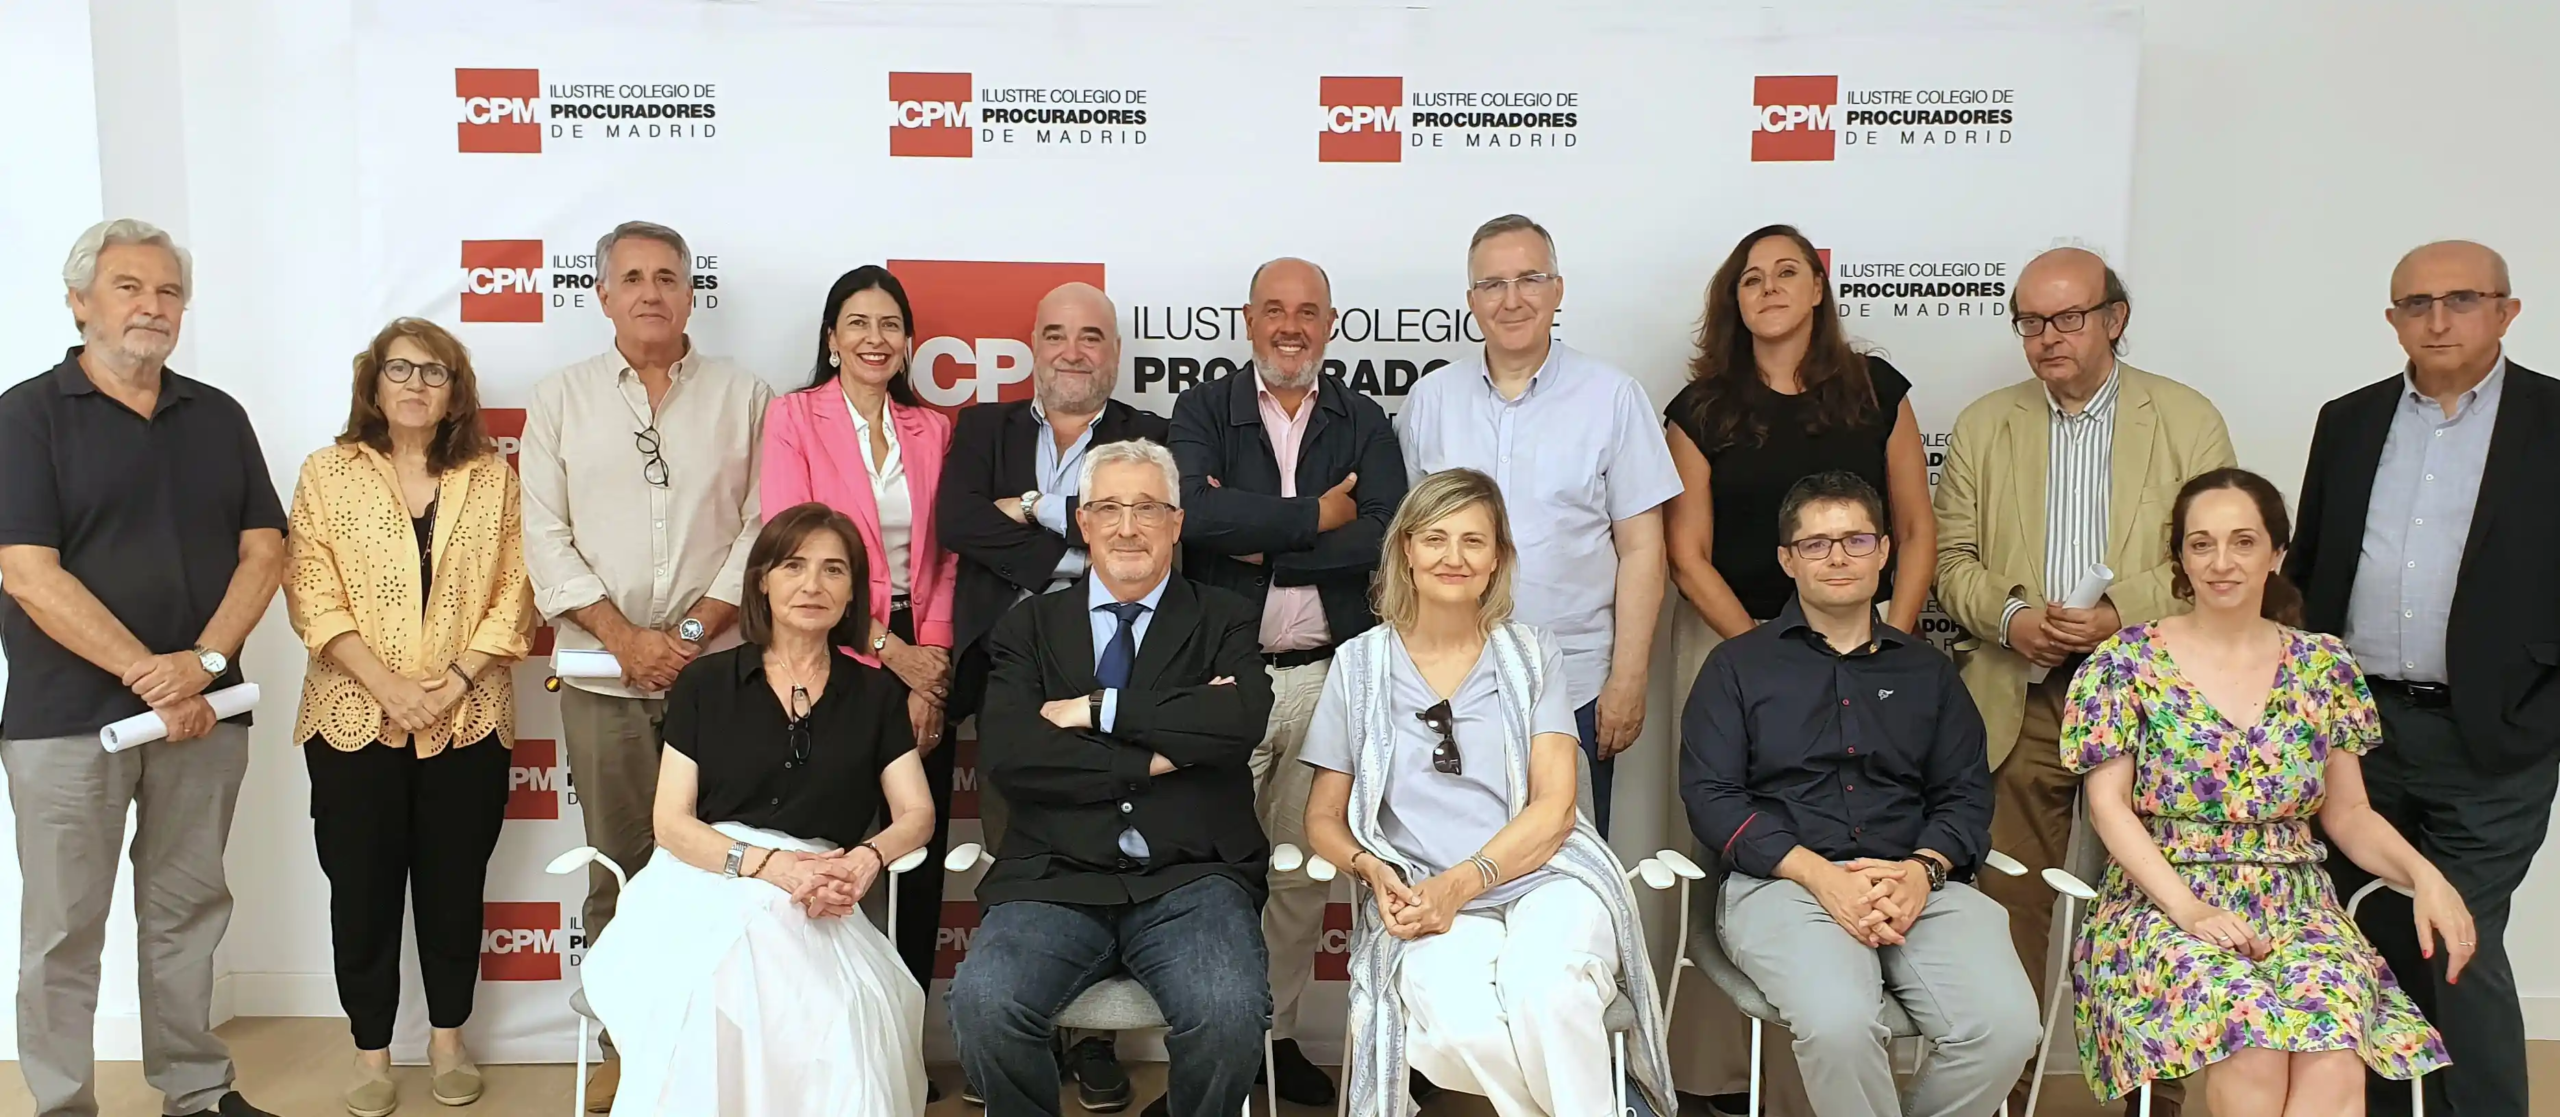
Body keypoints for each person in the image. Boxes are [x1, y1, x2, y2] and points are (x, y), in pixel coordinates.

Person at [1931, 246, 2234, 1117]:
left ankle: (2153, 1100)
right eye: (2030, 320)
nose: (2046, 337)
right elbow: (1952, 560)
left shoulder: (2184, 418)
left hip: (2152, 701)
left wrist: (2122, 614)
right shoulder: (1988, 424)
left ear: (2115, 318)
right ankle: (2004, 1093)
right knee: (2009, 905)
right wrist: (2014, 613)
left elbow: (2216, 553)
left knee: (2151, 902)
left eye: (2066, 317)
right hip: (2019, 694)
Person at [2064, 467, 2464, 1115]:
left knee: (2334, 1048)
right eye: (2201, 544)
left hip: (2297, 903)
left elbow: (2351, 812)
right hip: (2162, 900)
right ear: (2180, 557)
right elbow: (2107, 807)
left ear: (2276, 553)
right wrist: (2191, 911)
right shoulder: (2125, 662)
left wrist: (2426, 876)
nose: (2222, 562)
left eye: (2243, 541)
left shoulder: (2322, 664)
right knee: (2252, 1036)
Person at [0, 218, 285, 1117]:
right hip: (62, 721)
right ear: (79, 300)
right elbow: (26, 571)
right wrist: (151, 675)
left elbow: (266, 549)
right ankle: (60, 1105)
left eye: (167, 291)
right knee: (63, 930)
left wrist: (199, 667)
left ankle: (197, 1093)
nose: (152, 306)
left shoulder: (219, 415)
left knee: (188, 912)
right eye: (128, 287)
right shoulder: (24, 415)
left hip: (203, 713)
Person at [1301, 468, 1675, 1117]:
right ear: (1405, 549)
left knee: (1552, 991)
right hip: (1425, 893)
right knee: (1460, 1029)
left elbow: (1556, 807)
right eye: (1436, 538)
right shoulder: (1359, 665)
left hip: (1547, 877)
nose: (1454, 557)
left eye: (1474, 541)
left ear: (1498, 556)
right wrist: (1371, 865)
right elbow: (1323, 817)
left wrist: (1466, 881)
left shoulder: (1533, 654)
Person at [2288, 239, 2555, 1117]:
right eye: (2416, 303)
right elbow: (2315, 566)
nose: (2437, 320)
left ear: (2507, 311)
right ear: (2393, 318)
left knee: (2459, 940)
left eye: (2462, 299)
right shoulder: (2351, 420)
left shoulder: (2551, 421)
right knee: (2368, 934)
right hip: (2360, 732)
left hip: (2494, 734)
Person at [1682, 470, 2038, 1117]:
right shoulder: (1737, 667)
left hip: (1919, 884)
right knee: (1841, 1025)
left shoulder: (1926, 671)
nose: (1838, 556)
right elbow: (1711, 797)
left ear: (1883, 552)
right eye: (1816, 543)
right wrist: (1822, 876)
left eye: (1855, 539)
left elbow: (1964, 793)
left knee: (2007, 1029)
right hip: (1786, 886)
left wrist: (1922, 871)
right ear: (1787, 560)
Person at [517, 219, 772, 1109]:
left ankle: (716, 1056)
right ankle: (628, 1051)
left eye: (668, 275)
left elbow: (761, 529)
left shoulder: (746, 395)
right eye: (633, 276)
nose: (651, 290)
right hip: (598, 674)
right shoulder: (559, 398)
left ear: (691, 290)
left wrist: (691, 638)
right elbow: (543, 535)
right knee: (616, 867)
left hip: (726, 674)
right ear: (603, 294)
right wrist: (625, 639)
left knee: (732, 866)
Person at [946, 439, 1274, 1117]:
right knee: (982, 1003)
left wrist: (1098, 709)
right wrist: (1154, 755)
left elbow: (1238, 719)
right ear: (1084, 521)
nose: (1129, 527)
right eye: (1109, 508)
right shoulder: (1029, 625)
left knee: (1230, 1009)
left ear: (1177, 523)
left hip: (1192, 875)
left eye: (1148, 508)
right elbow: (1012, 752)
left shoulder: (1224, 615)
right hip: (1055, 876)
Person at [583, 502, 934, 1116]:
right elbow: (671, 823)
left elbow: (917, 813)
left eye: (833, 570)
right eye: (793, 566)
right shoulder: (707, 683)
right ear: (762, 581)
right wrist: (769, 867)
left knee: (840, 1020)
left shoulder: (875, 693)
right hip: (703, 879)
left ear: (853, 595)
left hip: (822, 889)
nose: (812, 585)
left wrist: (863, 862)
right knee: (720, 980)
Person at [1165, 256, 1405, 1106]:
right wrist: (1313, 517)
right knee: (1206, 869)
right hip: (1219, 680)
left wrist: (1260, 536)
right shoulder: (1201, 409)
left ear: (1331, 324)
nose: (1290, 326)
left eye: (1307, 311)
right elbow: (1190, 514)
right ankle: (1210, 1055)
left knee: (1302, 869)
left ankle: (1277, 1034)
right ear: (1248, 319)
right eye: (1274, 310)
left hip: (1327, 677)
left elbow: (1382, 538)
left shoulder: (1365, 420)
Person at [282, 317, 535, 1116]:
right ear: (374, 382)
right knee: (360, 888)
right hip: (352, 714)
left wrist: (452, 680)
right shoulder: (327, 473)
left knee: (454, 884)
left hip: (469, 715)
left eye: (435, 371)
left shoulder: (494, 478)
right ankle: (371, 1051)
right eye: (401, 369)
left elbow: (517, 590)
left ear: (457, 389)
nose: (417, 384)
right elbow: (309, 590)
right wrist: (387, 685)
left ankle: (449, 1040)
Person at [935, 281, 1166, 1106]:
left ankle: (1093, 1048)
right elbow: (960, 521)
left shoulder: (1151, 436)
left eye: (1093, 336)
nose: (1075, 350)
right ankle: (1020, 1040)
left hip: (1117, 672)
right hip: (1011, 675)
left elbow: (1153, 537)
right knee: (1023, 853)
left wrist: (1034, 511)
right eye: (1058, 334)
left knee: (1108, 850)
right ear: (1032, 344)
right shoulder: (984, 426)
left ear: (1115, 351)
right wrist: (1079, 553)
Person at [1396, 214, 1682, 835]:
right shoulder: (1431, 401)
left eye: (1530, 278)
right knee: (1448, 866)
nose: (1512, 299)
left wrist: (1627, 679)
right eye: (1492, 284)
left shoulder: (1613, 398)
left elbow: (1642, 551)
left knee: (1568, 875)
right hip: (1447, 686)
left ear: (1558, 290)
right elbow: (1407, 552)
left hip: (1573, 685)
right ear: (1471, 301)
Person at [758, 265, 962, 1014]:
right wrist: (887, 650)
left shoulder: (933, 427)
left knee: (916, 850)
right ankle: (821, 1024)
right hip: (822, 640)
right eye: (858, 324)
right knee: (825, 837)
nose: (874, 339)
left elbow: (944, 553)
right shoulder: (791, 417)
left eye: (888, 326)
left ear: (908, 343)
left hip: (923, 644)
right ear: (831, 339)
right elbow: (792, 550)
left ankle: (903, 1023)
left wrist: (927, 671)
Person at [1664, 224, 1935, 636]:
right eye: (1752, 279)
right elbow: (1688, 558)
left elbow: (1916, 529)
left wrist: (1893, 637)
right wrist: (1761, 655)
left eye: (1787, 272)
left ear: (1817, 290)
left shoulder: (1876, 388)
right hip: (1735, 637)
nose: (1769, 287)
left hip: (1871, 628)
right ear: (1736, 302)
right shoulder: (1698, 411)